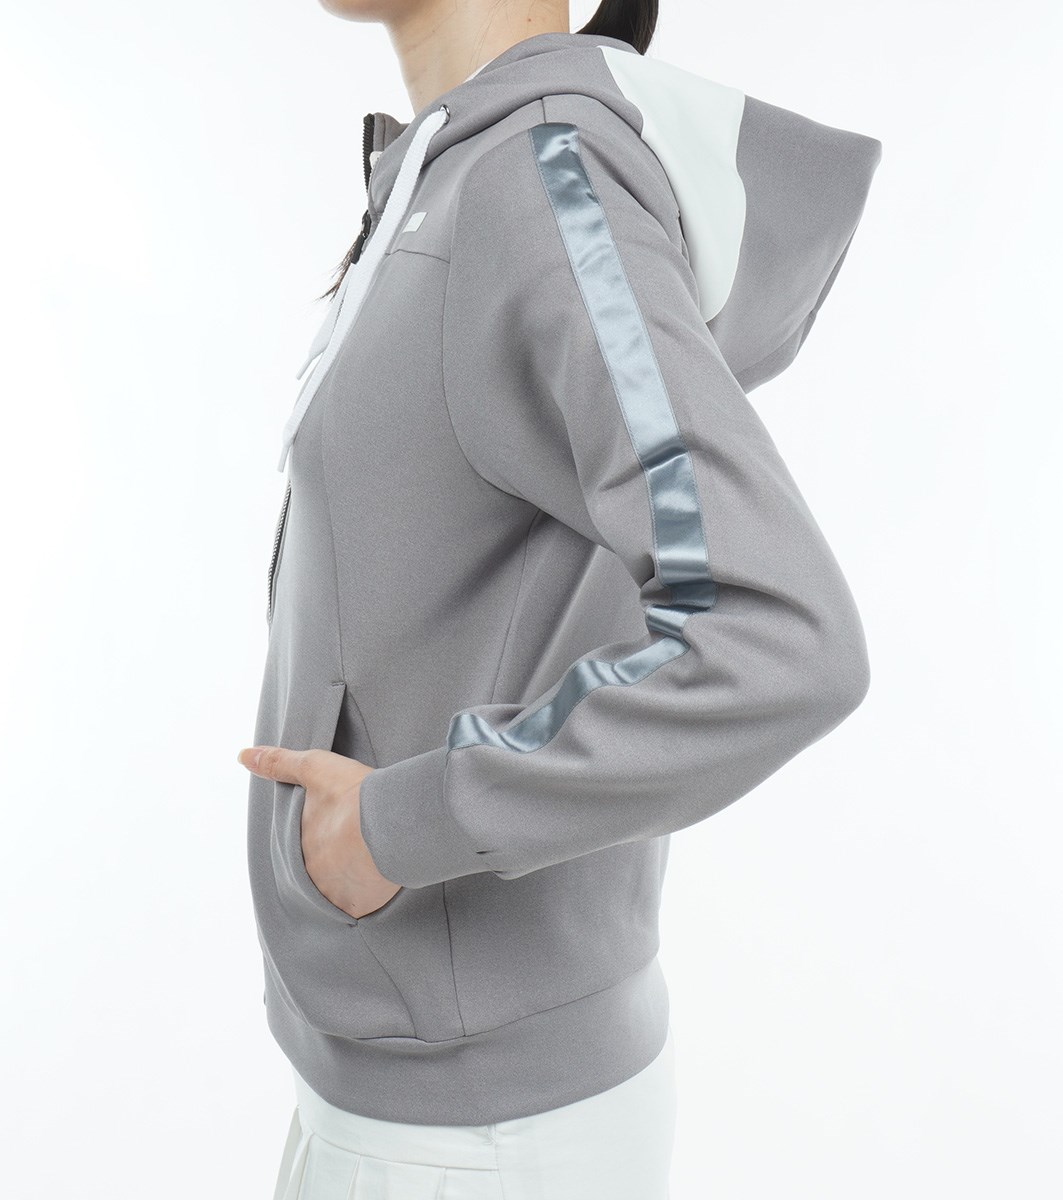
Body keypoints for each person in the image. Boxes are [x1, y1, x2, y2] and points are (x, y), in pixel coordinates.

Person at [237, 1, 882, 1195]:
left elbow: (782, 639)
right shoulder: (455, 172)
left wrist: (403, 822)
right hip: (397, 1100)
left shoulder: (538, 181)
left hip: (473, 1141)